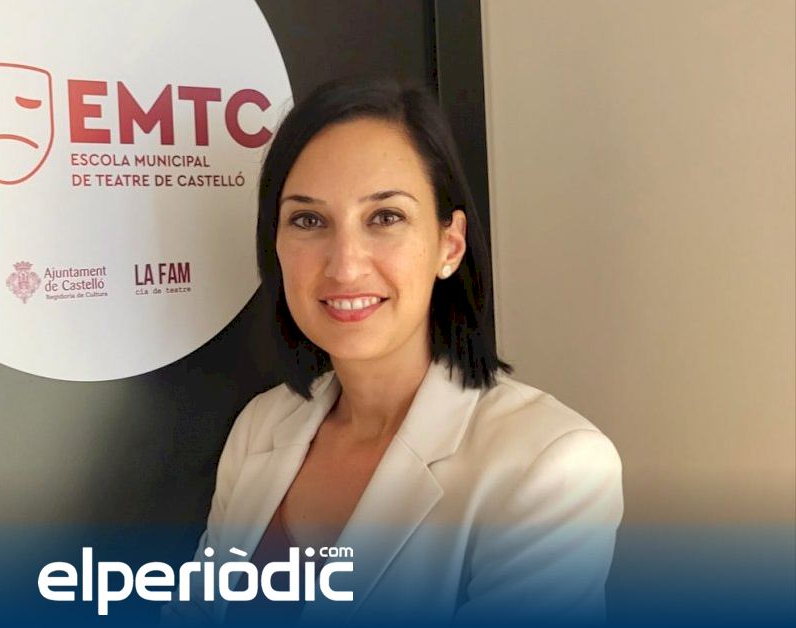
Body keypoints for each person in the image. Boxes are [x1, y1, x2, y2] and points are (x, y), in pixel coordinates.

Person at [161, 77, 623, 626]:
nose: (344, 265)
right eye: (309, 220)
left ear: (449, 245)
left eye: (385, 218)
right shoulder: (260, 427)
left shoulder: (552, 465)